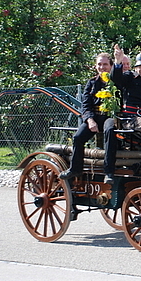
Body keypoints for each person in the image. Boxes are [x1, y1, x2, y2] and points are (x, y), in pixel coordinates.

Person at [60, 53, 118, 184]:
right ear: (95, 66)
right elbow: (85, 105)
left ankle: (109, 172)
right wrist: (90, 120)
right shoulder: (91, 83)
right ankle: (75, 169)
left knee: (110, 131)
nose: (102, 67)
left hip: (110, 117)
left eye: (105, 64)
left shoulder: (116, 82)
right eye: (99, 64)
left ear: (111, 66)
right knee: (78, 137)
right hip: (95, 117)